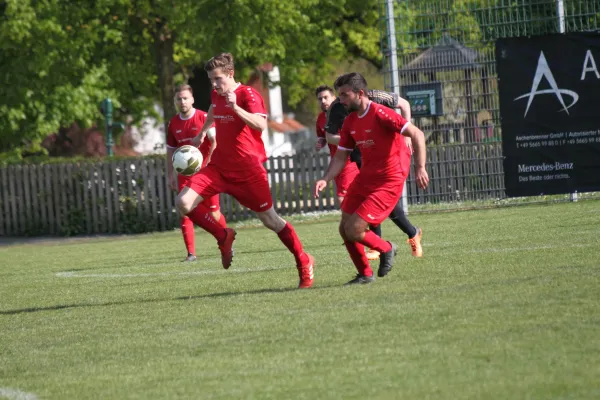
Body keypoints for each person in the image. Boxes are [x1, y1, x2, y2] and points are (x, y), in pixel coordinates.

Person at [176, 52, 315, 289]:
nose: (214, 84)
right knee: (183, 203)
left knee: (271, 221)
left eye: (218, 79)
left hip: (248, 172)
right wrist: (201, 133)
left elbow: (261, 124)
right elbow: (213, 109)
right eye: (211, 80)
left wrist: (236, 109)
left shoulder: (248, 94)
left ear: (231, 74)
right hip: (218, 167)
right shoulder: (216, 94)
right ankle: (223, 236)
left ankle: (304, 261)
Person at [314, 72, 429, 285]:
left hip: (389, 179)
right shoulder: (349, 121)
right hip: (367, 176)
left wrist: (420, 167)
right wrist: (326, 178)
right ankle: (365, 274)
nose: (341, 100)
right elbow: (341, 155)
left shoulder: (381, 113)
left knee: (355, 229)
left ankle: (387, 248)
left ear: (360, 93)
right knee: (344, 228)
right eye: (339, 95)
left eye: (345, 95)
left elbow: (417, 134)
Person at [167, 84, 227, 262]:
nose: (182, 101)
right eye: (179, 98)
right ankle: (191, 254)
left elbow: (215, 141)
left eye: (185, 98)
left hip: (206, 174)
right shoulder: (173, 123)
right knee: (184, 210)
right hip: (184, 175)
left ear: (192, 99)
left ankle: (226, 240)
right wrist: (170, 173)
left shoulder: (203, 117)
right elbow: (171, 150)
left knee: (214, 213)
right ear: (175, 101)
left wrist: (210, 162)